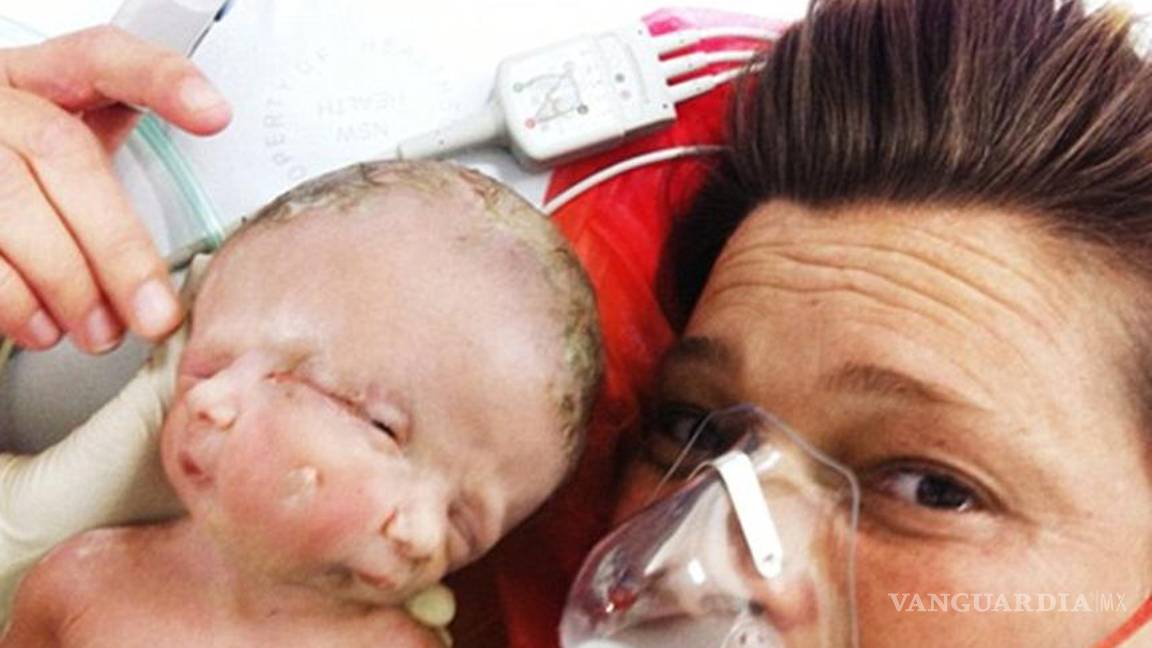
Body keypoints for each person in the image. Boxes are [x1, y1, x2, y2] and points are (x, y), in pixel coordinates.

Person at [0, 159, 602, 646]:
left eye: (463, 524)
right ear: (215, 403)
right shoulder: (78, 584)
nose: (421, 536)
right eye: (385, 430)